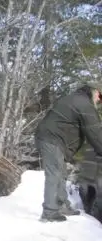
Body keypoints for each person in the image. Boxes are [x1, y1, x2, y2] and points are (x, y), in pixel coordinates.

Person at [34, 81, 102, 222]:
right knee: (54, 173)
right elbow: (95, 134)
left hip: (53, 139)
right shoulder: (84, 104)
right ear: (95, 91)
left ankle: (62, 205)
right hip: (51, 139)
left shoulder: (75, 98)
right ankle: (49, 212)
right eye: (100, 97)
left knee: (61, 173)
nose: (99, 101)